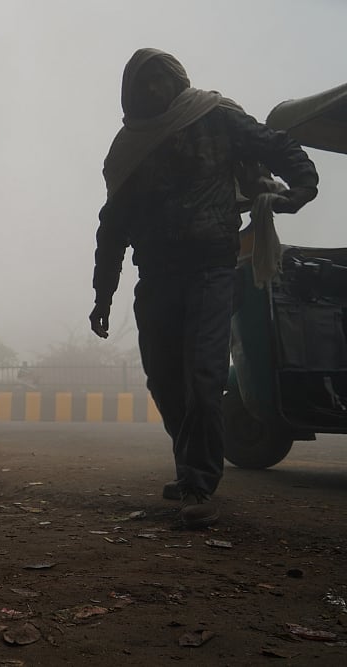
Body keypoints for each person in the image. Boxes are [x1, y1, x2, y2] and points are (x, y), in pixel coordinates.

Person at [89, 48, 318, 529]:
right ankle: (188, 462)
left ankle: (198, 479)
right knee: (164, 379)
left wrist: (302, 185)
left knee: (203, 375)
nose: (155, 89)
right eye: (144, 83)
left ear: (177, 79)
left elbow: (274, 143)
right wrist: (102, 295)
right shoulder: (128, 150)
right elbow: (112, 228)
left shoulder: (216, 116)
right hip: (156, 275)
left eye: (161, 79)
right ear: (131, 93)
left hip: (213, 267)